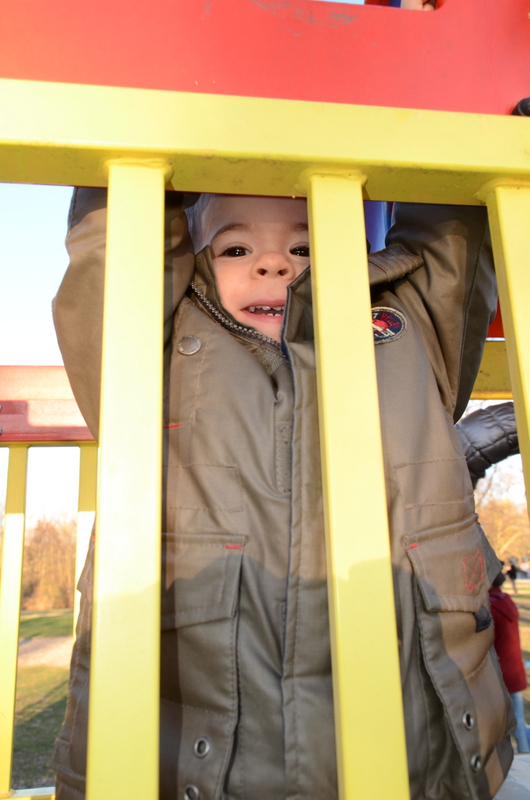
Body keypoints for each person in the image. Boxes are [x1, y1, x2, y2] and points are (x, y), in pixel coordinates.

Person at [51, 191, 514, 800]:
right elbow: (115, 244)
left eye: (304, 246)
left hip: (412, 761)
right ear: (189, 260)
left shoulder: (408, 325)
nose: (274, 263)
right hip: (202, 771)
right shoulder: (149, 349)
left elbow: (451, 229)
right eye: (235, 249)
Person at [489, 569, 529, 754]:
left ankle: (522, 755)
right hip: (514, 668)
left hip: (501, 672)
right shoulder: (506, 601)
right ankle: (524, 751)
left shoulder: (491, 607)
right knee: (518, 718)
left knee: (505, 721)